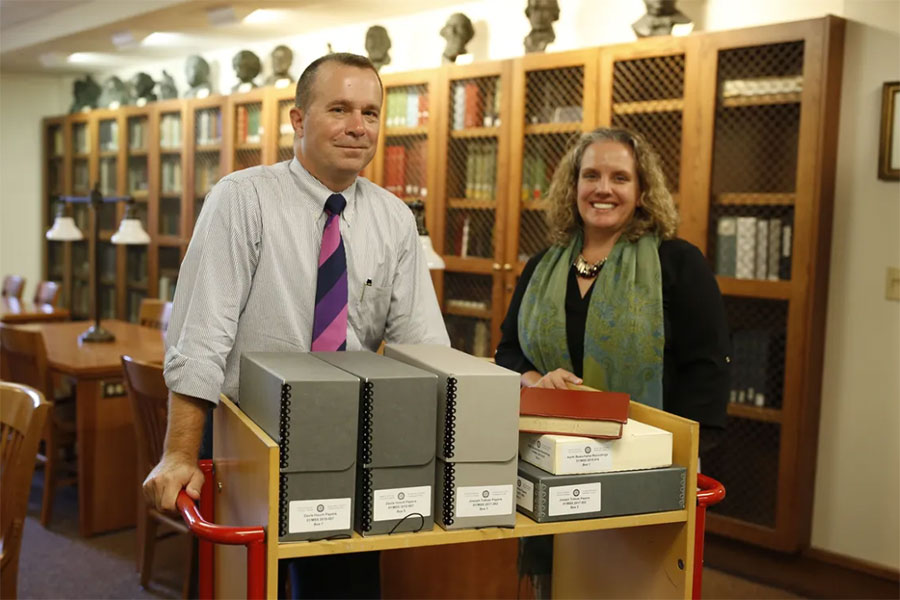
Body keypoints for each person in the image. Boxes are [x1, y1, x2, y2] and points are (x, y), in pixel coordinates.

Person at [144, 52, 448, 598]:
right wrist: (180, 454)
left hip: (351, 437)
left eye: (371, 113)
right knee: (246, 585)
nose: (359, 126)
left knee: (346, 585)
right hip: (247, 436)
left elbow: (422, 349)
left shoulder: (396, 220)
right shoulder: (243, 199)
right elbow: (201, 340)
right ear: (297, 119)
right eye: (339, 109)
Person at [495, 127, 730, 597]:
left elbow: (707, 370)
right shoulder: (541, 265)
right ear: (572, 186)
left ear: (641, 191)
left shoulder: (677, 263)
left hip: (643, 469)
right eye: (591, 175)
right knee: (557, 586)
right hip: (553, 464)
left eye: (620, 177)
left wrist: (682, 463)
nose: (603, 189)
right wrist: (538, 380)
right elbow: (507, 351)